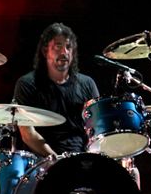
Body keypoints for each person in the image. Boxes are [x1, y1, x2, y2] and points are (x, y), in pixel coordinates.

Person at [13, 22, 100, 157]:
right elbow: (27, 134)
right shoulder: (28, 84)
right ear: (45, 51)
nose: (64, 52)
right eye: (58, 46)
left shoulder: (87, 84)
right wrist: (56, 160)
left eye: (68, 47)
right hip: (44, 161)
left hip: (82, 160)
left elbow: (98, 128)